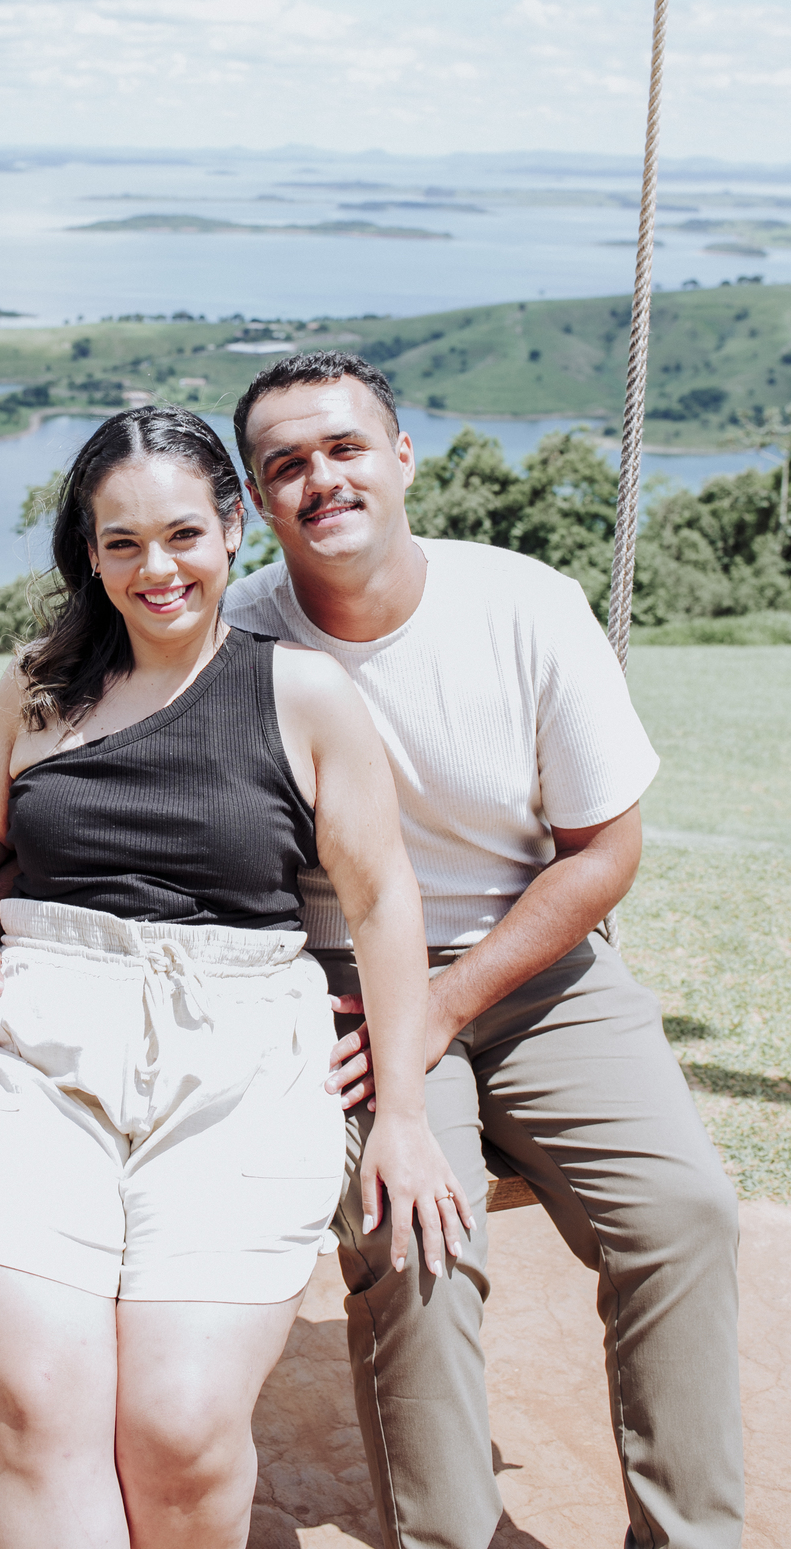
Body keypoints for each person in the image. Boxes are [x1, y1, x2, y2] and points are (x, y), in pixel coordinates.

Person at [0, 404, 468, 1549]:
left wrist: (403, 1115)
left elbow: (380, 900)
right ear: (89, 551)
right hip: (29, 1047)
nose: (156, 569)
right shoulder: (43, 684)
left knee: (182, 1430)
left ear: (233, 528)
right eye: (122, 543)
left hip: (235, 1056)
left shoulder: (301, 693)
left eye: (183, 536)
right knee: (42, 1408)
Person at [218, 353, 744, 1549]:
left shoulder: (526, 605)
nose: (321, 479)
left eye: (346, 448)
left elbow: (603, 853)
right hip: (344, 985)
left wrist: (448, 1004)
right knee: (416, 1236)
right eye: (286, 465)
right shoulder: (237, 637)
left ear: (401, 459)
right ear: (257, 498)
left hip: (535, 965)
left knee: (683, 1212)